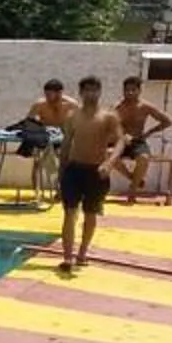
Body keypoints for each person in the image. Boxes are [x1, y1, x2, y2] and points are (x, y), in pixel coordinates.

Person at [56, 75, 124, 276]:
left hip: (96, 171)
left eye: (95, 90)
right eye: (87, 90)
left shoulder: (108, 117)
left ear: (100, 92)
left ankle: (82, 252)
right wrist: (61, 172)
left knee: (90, 213)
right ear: (81, 92)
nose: (91, 94)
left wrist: (109, 163)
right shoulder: (72, 116)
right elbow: (67, 144)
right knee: (69, 212)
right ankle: (67, 256)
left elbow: (121, 141)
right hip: (74, 169)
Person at [114, 75, 172, 202]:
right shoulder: (118, 107)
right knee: (108, 155)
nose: (129, 93)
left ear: (139, 91)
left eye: (133, 90)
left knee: (144, 158)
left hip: (138, 141)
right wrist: (121, 136)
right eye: (127, 90)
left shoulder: (145, 107)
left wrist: (149, 133)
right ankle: (133, 178)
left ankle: (133, 189)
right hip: (121, 141)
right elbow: (110, 126)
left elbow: (168, 121)